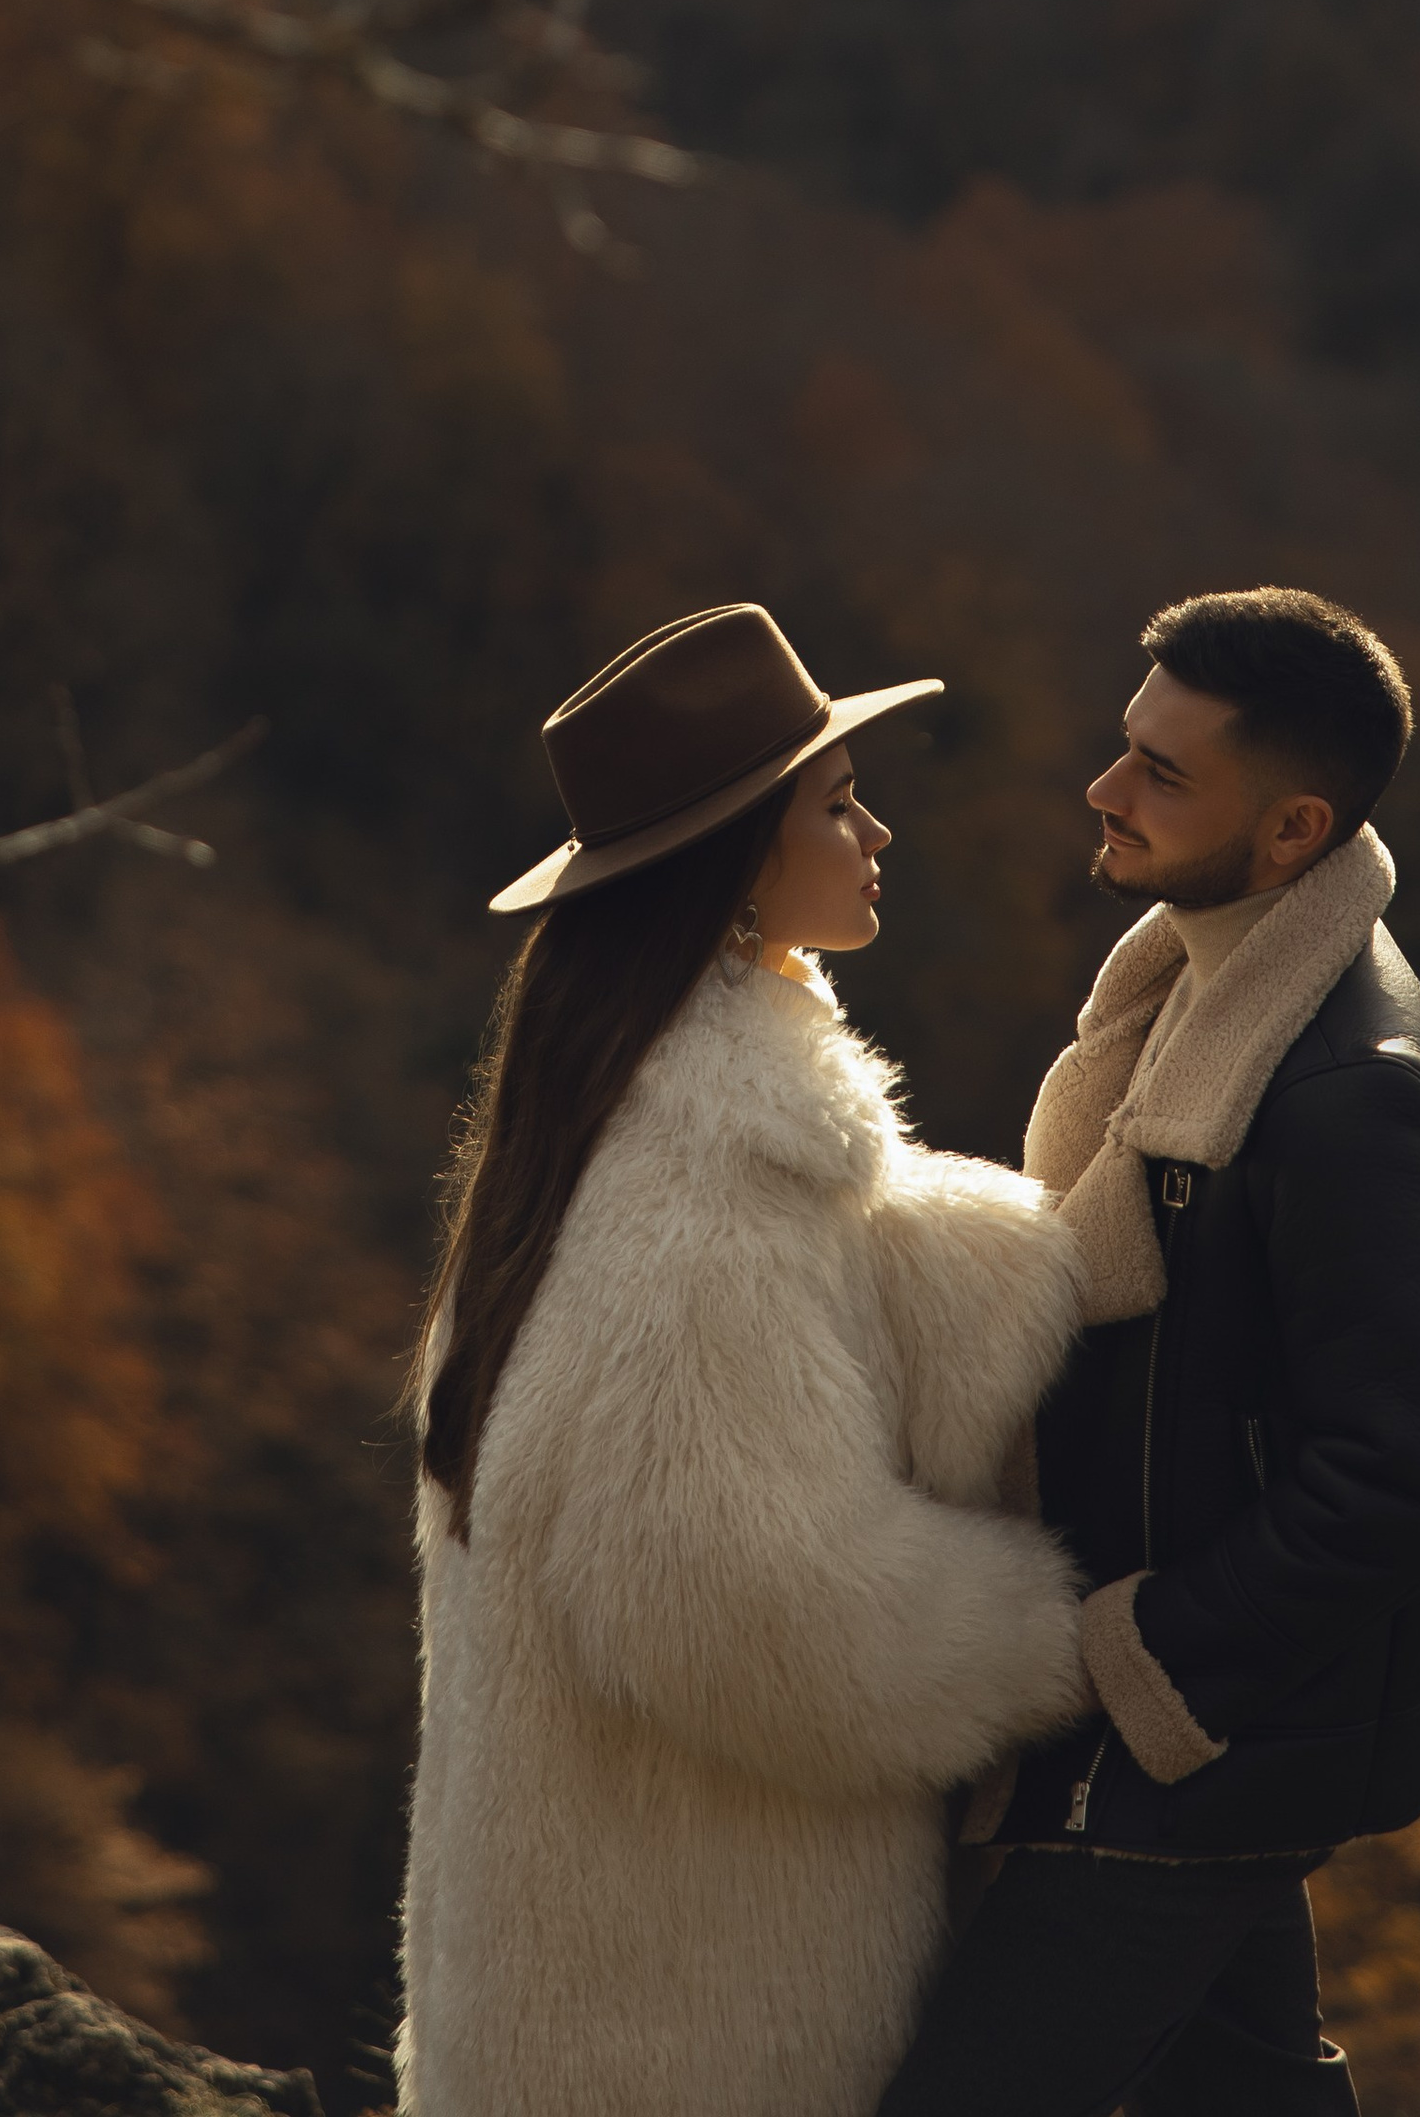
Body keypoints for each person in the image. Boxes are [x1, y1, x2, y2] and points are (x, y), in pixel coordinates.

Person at [394, 600, 1093, 2117]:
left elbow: (851, 1300)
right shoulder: (705, 1196)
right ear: (732, 880)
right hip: (682, 2020)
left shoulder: (608, 1133)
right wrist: (1063, 1636)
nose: (880, 830)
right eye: (838, 805)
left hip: (586, 1985)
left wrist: (1052, 1241)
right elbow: (751, 1613)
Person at [880, 585, 1420, 2117]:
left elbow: (1393, 1480)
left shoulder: (1356, 1096)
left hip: (1204, 1733)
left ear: (1294, 828)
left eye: (1164, 772)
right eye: (1126, 747)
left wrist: (1138, 1647)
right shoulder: (1193, 983)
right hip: (1196, 1724)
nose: (1106, 790)